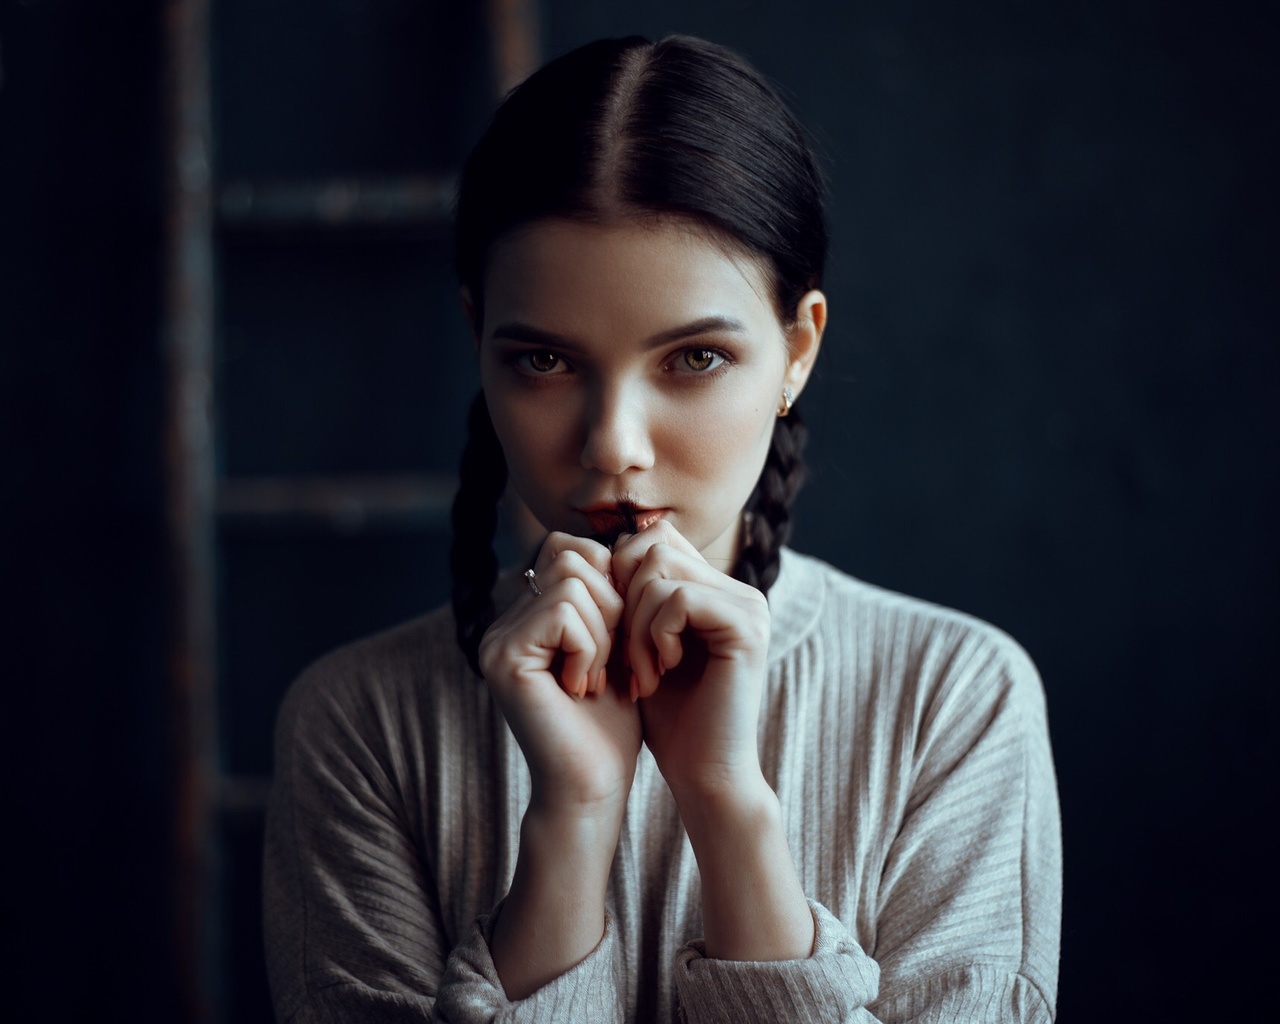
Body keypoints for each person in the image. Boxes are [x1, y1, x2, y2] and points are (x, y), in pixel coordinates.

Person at [262, 34, 1061, 1024]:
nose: (612, 444)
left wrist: (727, 803)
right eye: (544, 362)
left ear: (796, 349)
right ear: (477, 339)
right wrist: (570, 821)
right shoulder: (357, 724)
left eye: (692, 359)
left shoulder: (952, 698)